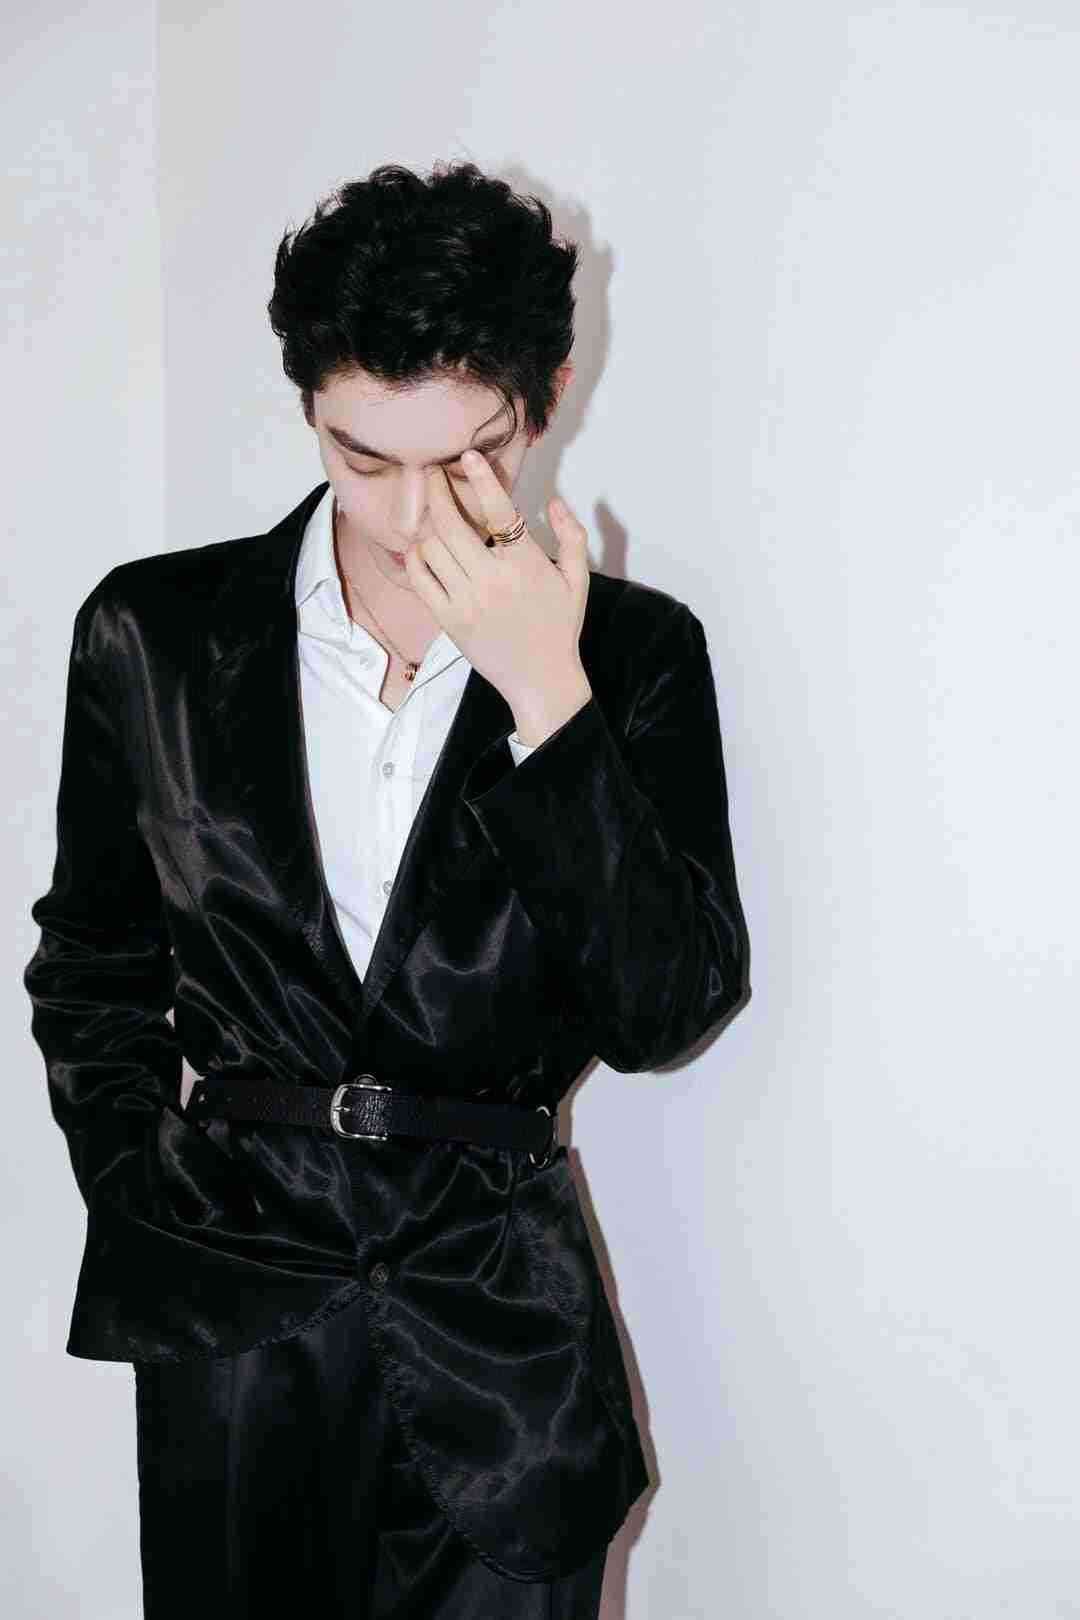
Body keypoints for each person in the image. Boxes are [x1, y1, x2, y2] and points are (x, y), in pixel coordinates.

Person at [23, 159, 750, 1617]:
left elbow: (665, 1012)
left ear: (545, 400)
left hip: (502, 1340)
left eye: (471, 455)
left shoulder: (635, 657)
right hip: (238, 1319)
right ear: (308, 408)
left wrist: (548, 699)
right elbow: (92, 962)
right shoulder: (154, 633)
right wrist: (147, 1189)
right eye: (365, 460)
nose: (418, 511)